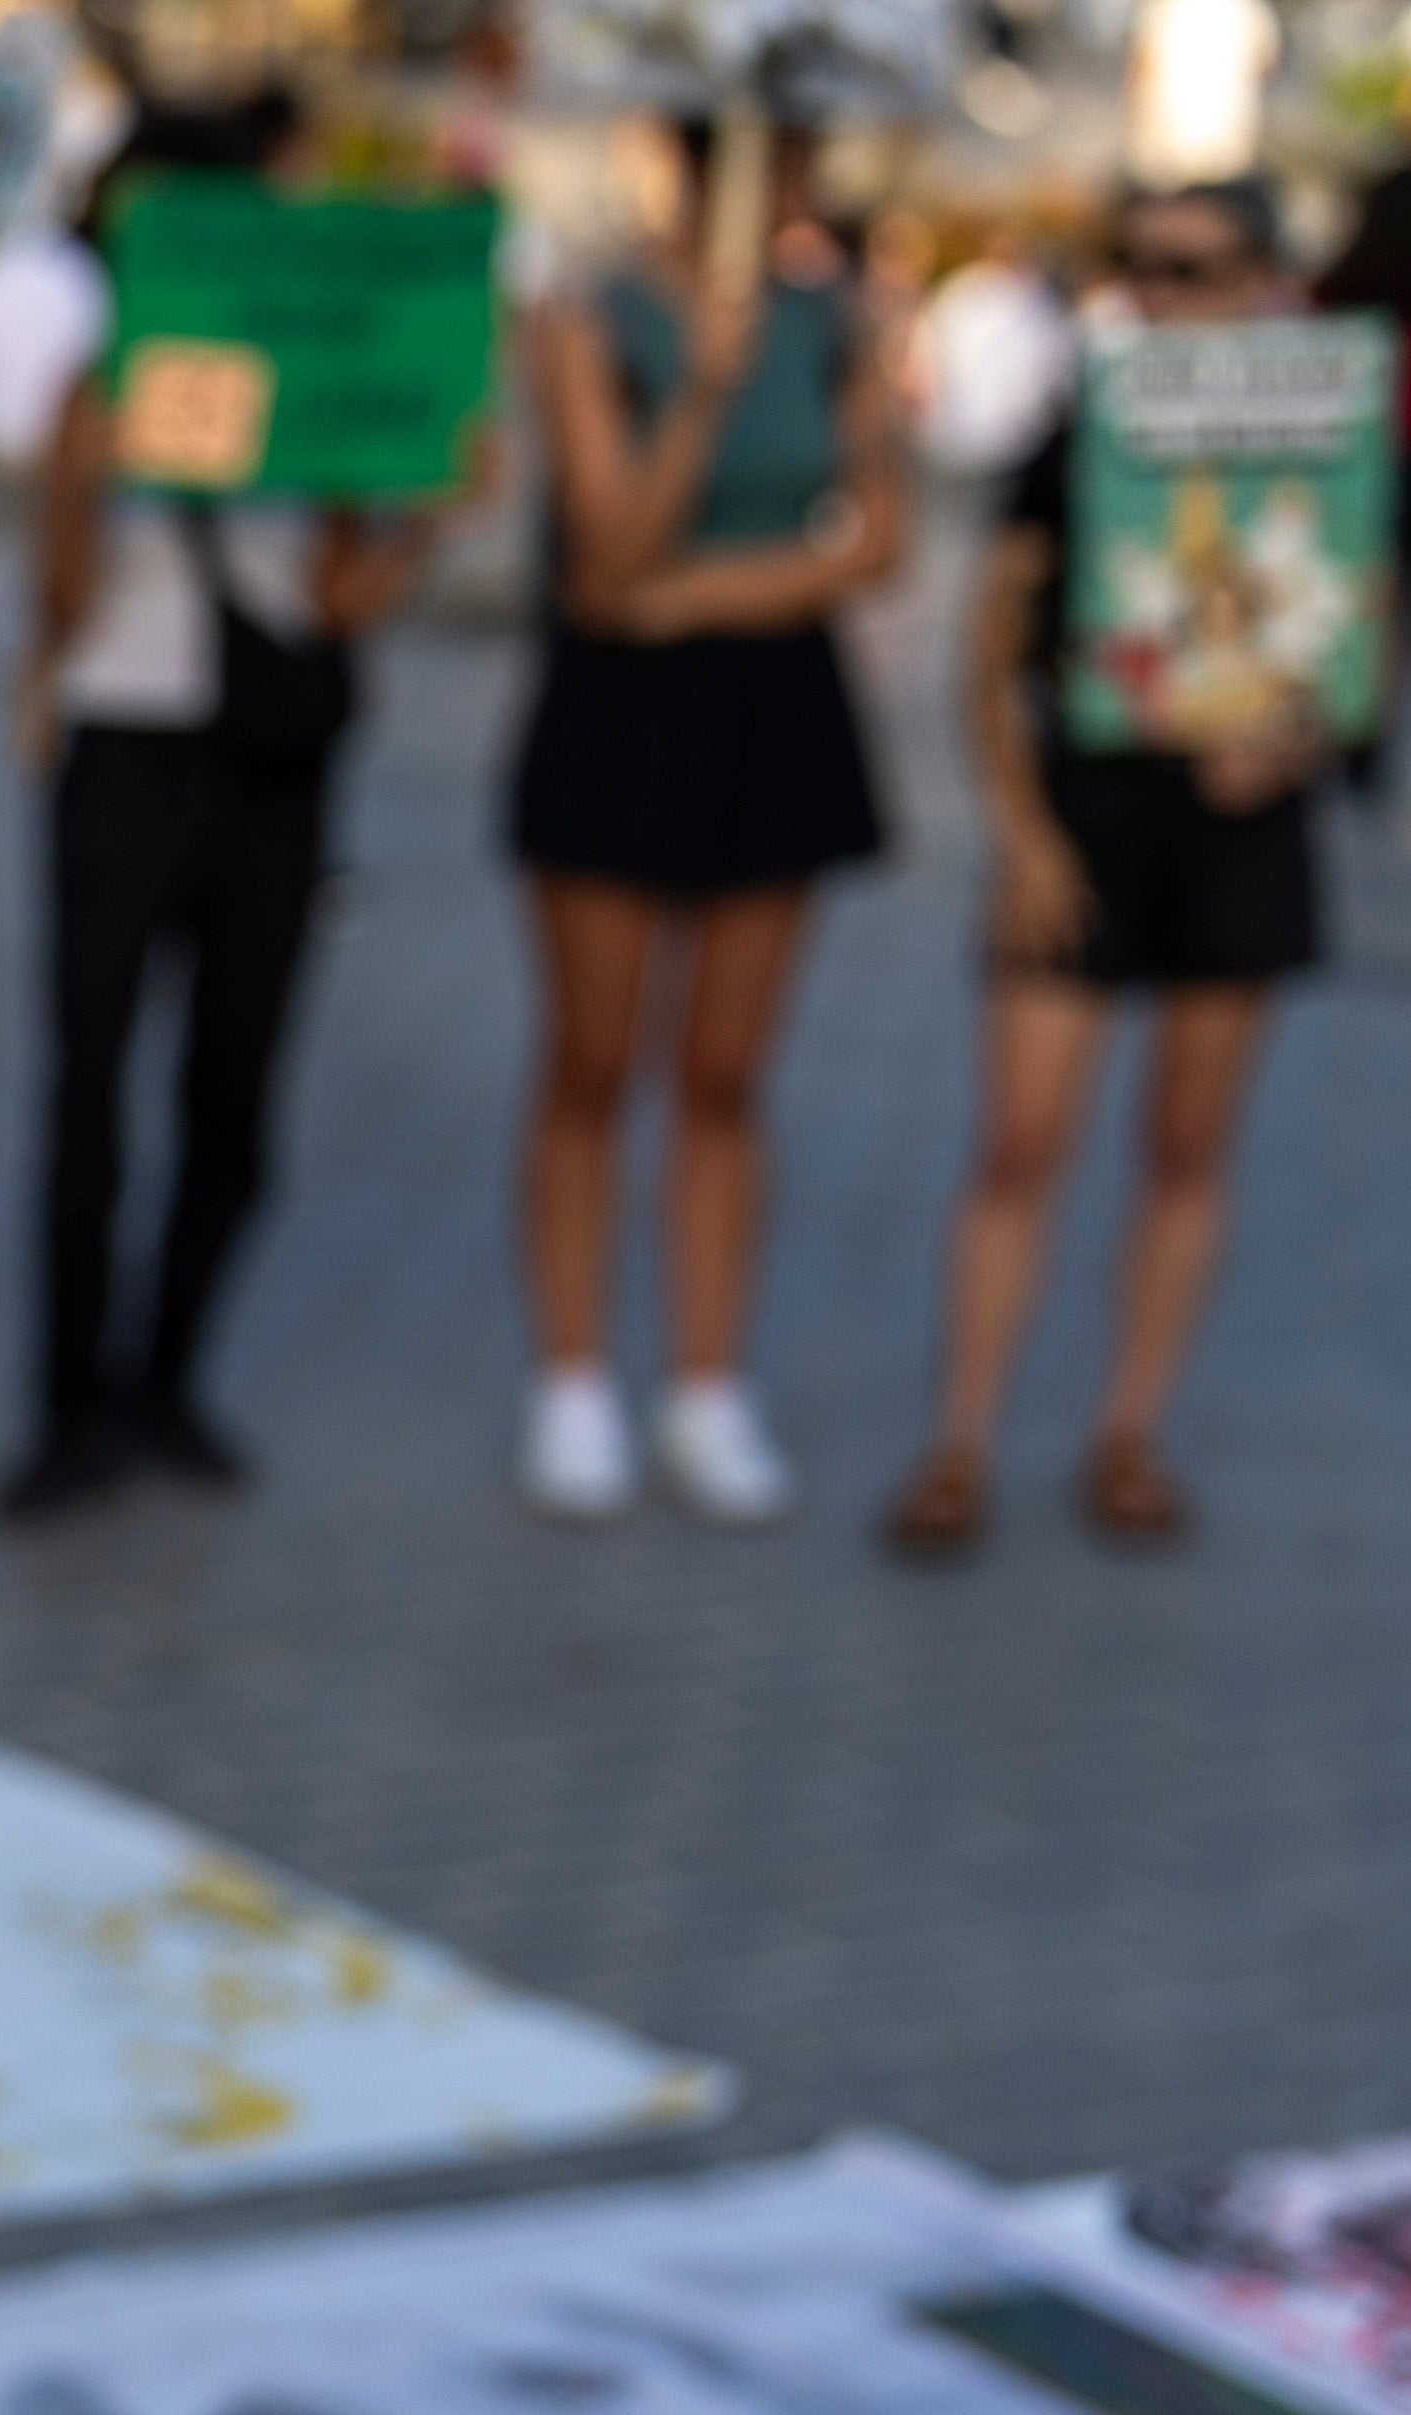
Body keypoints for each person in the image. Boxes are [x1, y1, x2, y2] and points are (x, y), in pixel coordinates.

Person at [0, 102, 447, 1521]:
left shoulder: (318, 384)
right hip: (124, 742)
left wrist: (427, 509)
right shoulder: (96, 384)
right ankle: (72, 1406)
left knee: (236, 1092)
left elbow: (338, 603)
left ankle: (168, 1376)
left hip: (267, 763)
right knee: (90, 1092)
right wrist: (86, 475)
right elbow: (58, 610)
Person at [885, 181, 1323, 1561]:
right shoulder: (1076, 435)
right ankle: (959, 1437)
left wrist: (1298, 738)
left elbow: (1357, 631)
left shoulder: (1325, 440)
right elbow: (982, 647)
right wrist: (1020, 835)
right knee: (1018, 1144)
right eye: (1135, 269)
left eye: (1190, 269)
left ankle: (1127, 1429)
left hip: (1238, 830)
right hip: (1080, 822)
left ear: (1261, 282)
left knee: (1187, 1143)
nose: (1157, 294)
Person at [502, 115, 902, 1526]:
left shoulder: (839, 317)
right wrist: (700, 396)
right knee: (595, 1058)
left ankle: (707, 1379)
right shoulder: (586, 315)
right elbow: (608, 547)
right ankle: (570, 1374)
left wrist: (699, 600)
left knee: (726, 1068)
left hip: (770, 710)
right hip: (620, 720)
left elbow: (880, 540)